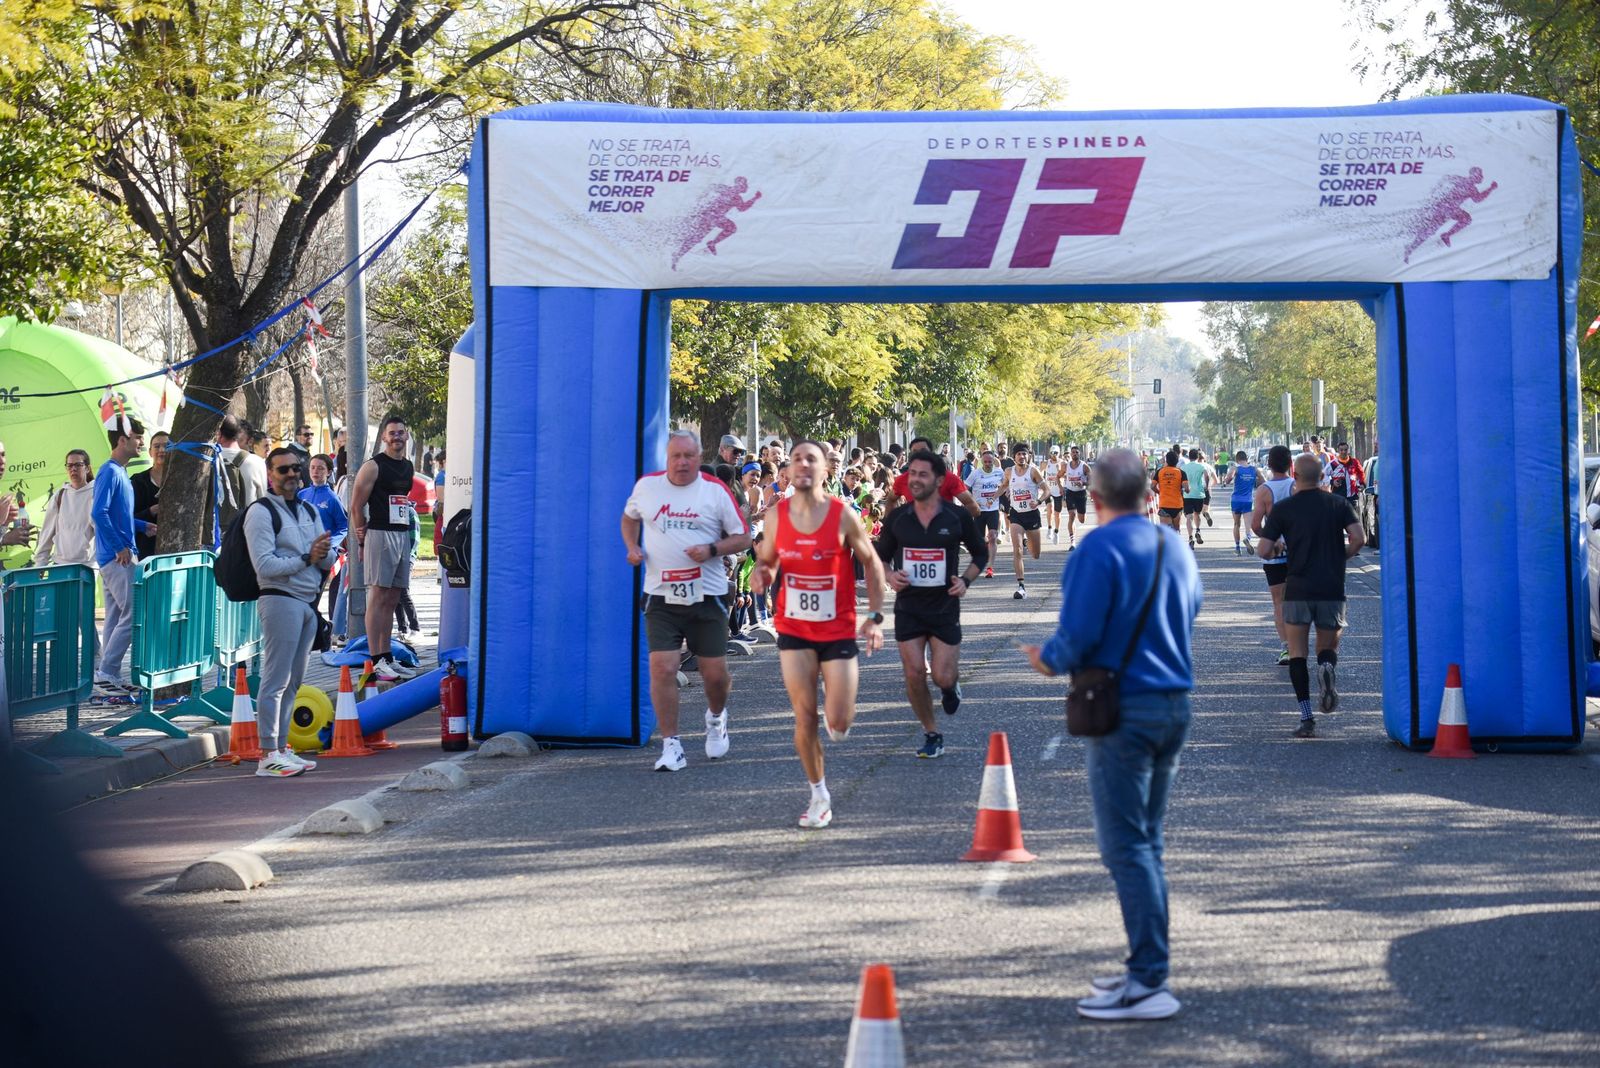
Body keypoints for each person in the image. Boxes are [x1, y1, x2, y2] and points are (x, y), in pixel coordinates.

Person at [1021, 447, 1202, 1022]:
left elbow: (1074, 637)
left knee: (1126, 846)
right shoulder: (1173, 545)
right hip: (1174, 701)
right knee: (1147, 841)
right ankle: (1145, 966)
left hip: (1123, 707)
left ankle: (1150, 980)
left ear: (1094, 498)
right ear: (1150, 494)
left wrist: (1045, 660)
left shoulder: (1095, 548)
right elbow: (1191, 608)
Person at [750, 440, 885, 829]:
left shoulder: (843, 515)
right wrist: (763, 573)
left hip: (838, 628)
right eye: (796, 460)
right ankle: (819, 794)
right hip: (793, 627)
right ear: (788, 471)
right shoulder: (777, 516)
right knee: (804, 716)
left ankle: (837, 719)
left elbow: (872, 564)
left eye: (812, 459)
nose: (803, 465)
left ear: (826, 470)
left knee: (838, 721)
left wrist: (875, 616)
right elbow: (770, 560)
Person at [622, 429, 751, 771]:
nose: (681, 462)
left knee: (714, 675)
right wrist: (632, 546)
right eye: (675, 456)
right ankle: (671, 746)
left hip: (706, 596)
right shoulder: (647, 487)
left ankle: (716, 717)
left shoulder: (715, 491)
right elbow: (629, 517)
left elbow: (743, 538)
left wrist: (712, 549)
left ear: (699, 457)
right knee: (663, 667)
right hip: (661, 596)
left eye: (688, 456)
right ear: (666, 458)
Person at [876, 450, 988, 759]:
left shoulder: (956, 517)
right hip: (908, 607)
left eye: (922, 474)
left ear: (939, 481)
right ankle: (931, 732)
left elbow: (981, 553)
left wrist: (965, 581)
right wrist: (889, 575)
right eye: (911, 474)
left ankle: (951, 687)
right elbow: (880, 555)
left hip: (944, 607)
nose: (915, 480)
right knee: (913, 673)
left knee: (942, 676)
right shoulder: (899, 518)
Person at [1257, 452, 1364, 737]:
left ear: (1296, 476)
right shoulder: (1339, 504)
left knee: (1297, 654)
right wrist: (1340, 556)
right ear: (1322, 477)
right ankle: (1327, 665)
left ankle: (1306, 718)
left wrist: (1279, 548)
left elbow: (1264, 550)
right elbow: (1359, 538)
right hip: (1330, 587)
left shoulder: (1284, 509)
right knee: (1327, 647)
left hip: (1297, 588)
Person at [246, 447, 332, 777]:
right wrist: (307, 558)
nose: (292, 474)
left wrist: (323, 553)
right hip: (280, 599)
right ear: (271, 475)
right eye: (284, 470)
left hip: (308, 602)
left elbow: (324, 557)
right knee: (276, 680)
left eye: (296, 468)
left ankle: (282, 748)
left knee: (294, 681)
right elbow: (264, 565)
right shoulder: (261, 512)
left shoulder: (310, 509)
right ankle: (268, 753)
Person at [350, 415, 419, 682]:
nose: (397, 437)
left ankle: (387, 655)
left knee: (392, 599)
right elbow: (356, 506)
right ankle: (376, 660)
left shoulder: (409, 467)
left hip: (402, 535)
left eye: (401, 432)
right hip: (379, 535)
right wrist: (361, 540)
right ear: (384, 437)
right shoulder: (373, 466)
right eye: (392, 433)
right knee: (378, 598)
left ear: (407, 436)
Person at [92, 418, 153, 691]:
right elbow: (98, 513)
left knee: (116, 617)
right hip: (117, 558)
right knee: (135, 613)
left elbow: (120, 515)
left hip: (116, 556)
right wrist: (119, 547)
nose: (142, 442)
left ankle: (109, 675)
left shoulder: (119, 473)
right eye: (138, 437)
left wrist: (142, 526)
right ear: (122, 440)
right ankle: (106, 672)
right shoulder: (110, 472)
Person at [1250, 445, 1296, 666]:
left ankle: (1286, 648)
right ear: (1290, 464)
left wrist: (1272, 539)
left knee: (1279, 602)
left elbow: (1256, 525)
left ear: (1269, 464)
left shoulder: (1264, 491)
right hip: (1299, 553)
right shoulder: (1297, 487)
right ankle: (1299, 646)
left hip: (1276, 554)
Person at [298, 454, 348, 621]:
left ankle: (321, 631)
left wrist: (330, 544)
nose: (315, 471)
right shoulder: (302, 495)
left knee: (314, 595)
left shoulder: (332, 498)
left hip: (323, 555)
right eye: (312, 467)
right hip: (301, 552)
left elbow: (343, 526)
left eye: (320, 468)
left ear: (328, 472)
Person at [887, 436, 980, 516]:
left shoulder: (949, 478)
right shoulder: (903, 479)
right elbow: (891, 500)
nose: (919, 454)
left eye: (923, 450)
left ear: (931, 453)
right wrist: (893, 525)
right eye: (915, 452)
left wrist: (951, 521)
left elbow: (974, 508)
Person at [33, 450, 96, 567]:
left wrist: (100, 563)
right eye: (69, 465)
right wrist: (40, 564)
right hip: (60, 565)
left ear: (87, 468)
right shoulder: (59, 496)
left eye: (78, 465)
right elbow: (47, 533)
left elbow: (103, 533)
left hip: (87, 566)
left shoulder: (97, 494)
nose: (73, 469)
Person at [1006, 443, 1046, 598]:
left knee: (1036, 554)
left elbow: (1047, 490)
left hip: (1032, 514)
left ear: (1028, 456)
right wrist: (997, 495)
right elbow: (1004, 486)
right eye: (1018, 454)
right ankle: (1021, 587)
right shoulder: (1009, 472)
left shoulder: (1033, 471)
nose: (1022, 457)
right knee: (1017, 550)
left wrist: (1039, 501)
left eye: (1024, 454)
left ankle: (1028, 543)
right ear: (1014, 456)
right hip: (1016, 514)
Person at [964, 448, 1005, 578]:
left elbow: (1005, 486)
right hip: (979, 510)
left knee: (993, 536)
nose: (988, 464)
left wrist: (1004, 495)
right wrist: (972, 501)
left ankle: (990, 567)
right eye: (985, 462)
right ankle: (983, 556)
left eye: (990, 462)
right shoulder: (976, 473)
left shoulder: (999, 472)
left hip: (993, 509)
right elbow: (964, 488)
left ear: (994, 461)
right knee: (981, 541)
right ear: (982, 461)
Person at [130, 432, 166, 559]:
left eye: (166, 446)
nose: (161, 450)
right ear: (150, 452)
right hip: (145, 550)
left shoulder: (180, 481)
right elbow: (128, 517)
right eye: (157, 446)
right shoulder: (138, 481)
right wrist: (150, 511)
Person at [1224, 449, 1259, 555]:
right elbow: (1263, 481)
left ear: (1237, 459)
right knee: (1248, 524)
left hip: (1236, 500)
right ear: (1246, 459)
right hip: (1248, 501)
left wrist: (1228, 480)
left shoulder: (1236, 468)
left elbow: (1228, 478)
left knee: (1236, 524)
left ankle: (1238, 548)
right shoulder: (1254, 469)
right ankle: (1248, 537)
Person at [1179, 449, 1211, 548]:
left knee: (1189, 516)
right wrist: (1206, 485)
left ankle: (1190, 537)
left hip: (1187, 494)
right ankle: (1198, 530)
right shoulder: (1201, 466)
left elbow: (1180, 479)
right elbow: (1207, 476)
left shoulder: (1183, 467)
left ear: (1189, 457)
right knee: (1197, 514)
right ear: (1197, 457)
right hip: (1199, 494)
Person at [1062, 445, 1091, 549]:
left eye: (1076, 452)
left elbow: (1092, 480)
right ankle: (1072, 541)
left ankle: (1083, 513)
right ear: (1071, 454)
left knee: (1081, 519)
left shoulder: (1085, 466)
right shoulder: (1066, 466)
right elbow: (1058, 476)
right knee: (1071, 515)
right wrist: (1061, 487)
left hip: (1081, 493)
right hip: (1070, 493)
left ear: (1080, 454)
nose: (1075, 454)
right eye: (1073, 452)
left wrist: (1083, 482)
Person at [1153, 451, 1187, 532]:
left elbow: (1152, 486)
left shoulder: (1159, 472)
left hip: (1164, 505)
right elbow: (1187, 488)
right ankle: (1176, 543)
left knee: (1166, 533)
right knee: (1176, 530)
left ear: (1166, 460)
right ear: (1177, 461)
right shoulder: (1181, 473)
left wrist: (1159, 492)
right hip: (1177, 506)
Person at [1042, 445, 1066, 544]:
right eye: (1052, 453)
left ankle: (1056, 531)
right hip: (1049, 490)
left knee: (1057, 514)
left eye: (1056, 453)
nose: (1054, 455)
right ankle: (1049, 528)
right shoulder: (1045, 463)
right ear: (1050, 453)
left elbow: (1067, 475)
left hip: (1058, 491)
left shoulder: (1063, 463)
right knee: (1049, 509)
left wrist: (1060, 471)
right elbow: (1039, 473)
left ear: (1059, 453)